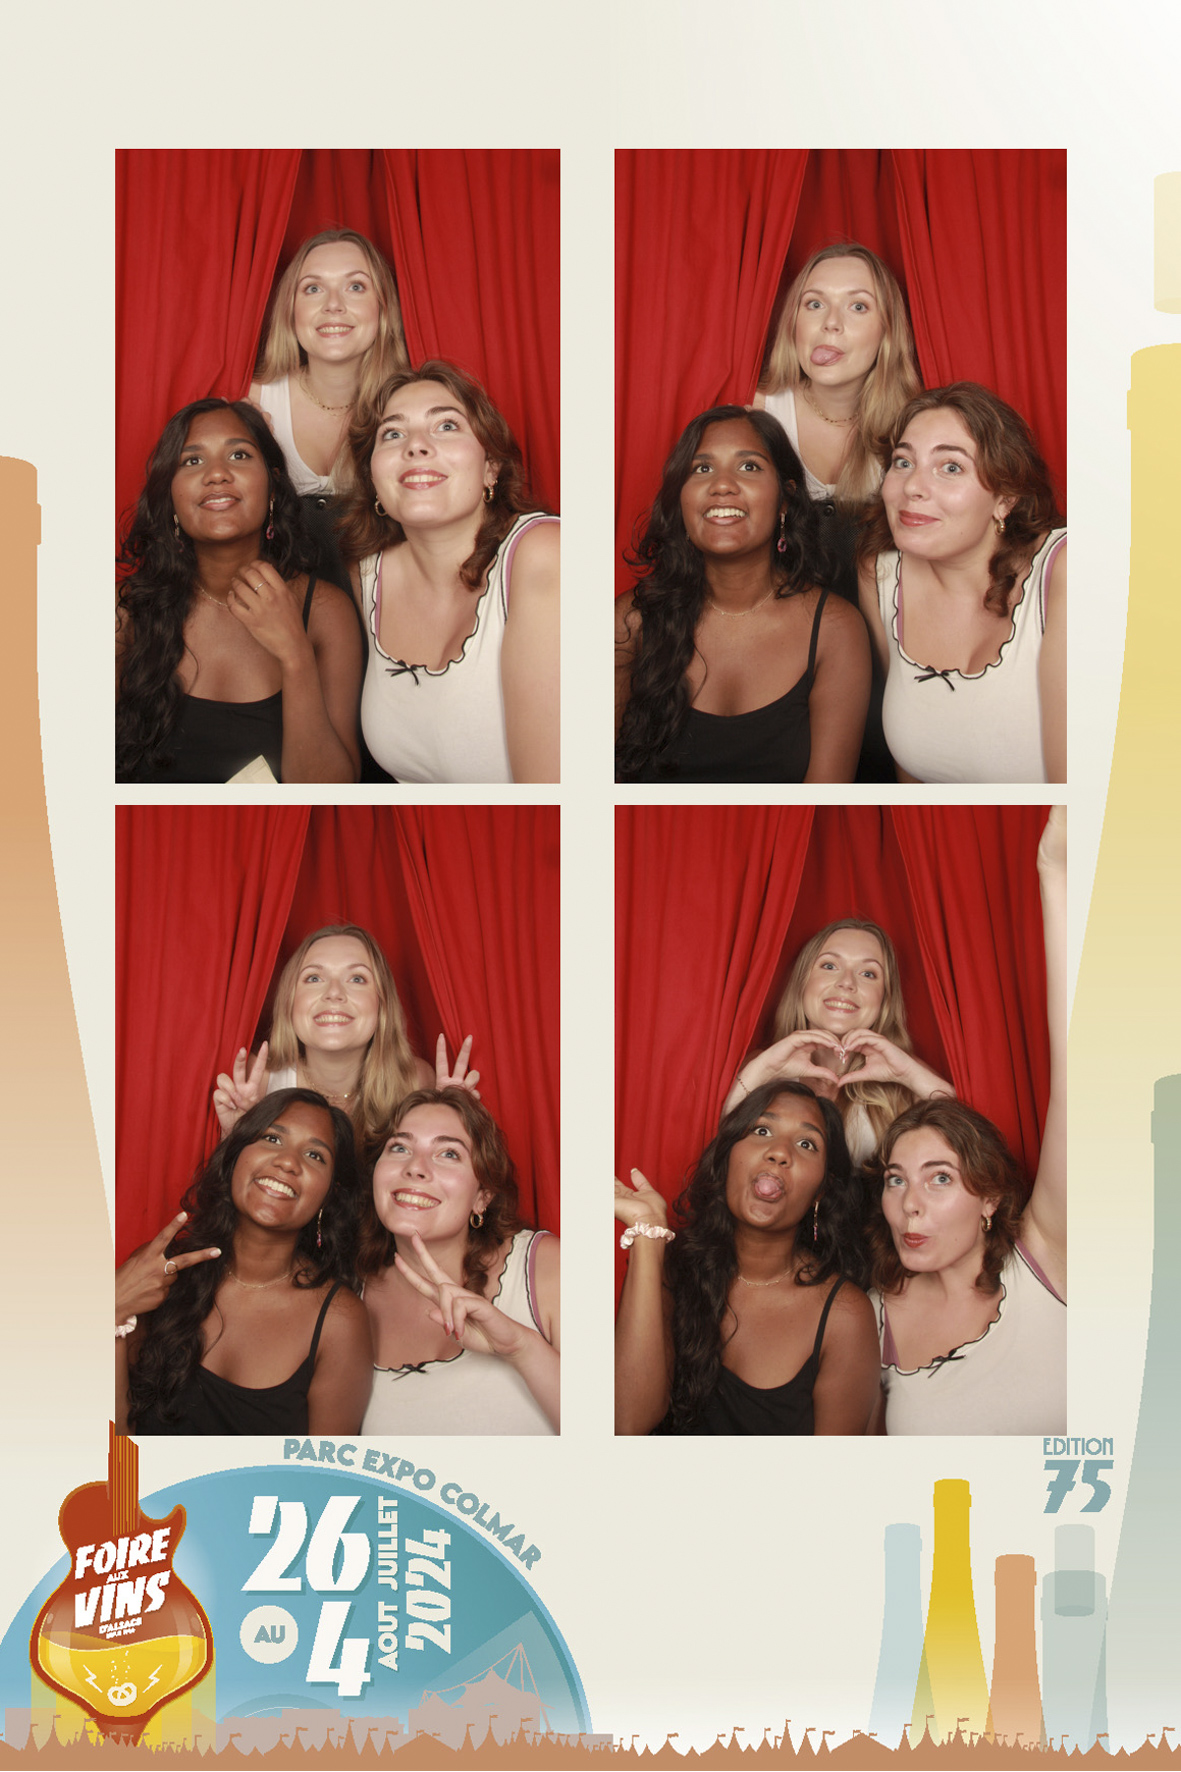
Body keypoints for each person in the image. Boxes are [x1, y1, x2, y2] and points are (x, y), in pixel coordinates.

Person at [866, 807, 1065, 1434]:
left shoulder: (1045, 1261)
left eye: (940, 1178)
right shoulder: (866, 1318)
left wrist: (1054, 874)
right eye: (895, 1179)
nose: (909, 1204)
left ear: (991, 1199)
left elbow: (1079, 1076)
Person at [615, 407, 869, 783]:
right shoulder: (631, 621)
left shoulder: (836, 630)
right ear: (680, 499)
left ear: (785, 499)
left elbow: (825, 800)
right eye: (702, 468)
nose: (722, 485)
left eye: (749, 466)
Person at [336, 360, 559, 784]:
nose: (416, 446)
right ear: (373, 478)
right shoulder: (365, 576)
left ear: (491, 467)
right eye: (393, 433)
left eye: (446, 426)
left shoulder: (544, 553)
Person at [116, 400, 362, 783]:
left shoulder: (325, 611)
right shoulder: (128, 610)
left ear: (273, 487)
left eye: (239, 455)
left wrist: (295, 655)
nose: (217, 474)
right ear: (170, 497)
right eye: (192, 460)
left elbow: (333, 792)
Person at [614, 1081, 879, 1436]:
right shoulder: (673, 1268)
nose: (779, 1152)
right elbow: (627, 1423)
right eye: (762, 1130)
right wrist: (648, 1236)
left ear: (821, 1190)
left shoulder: (845, 1315)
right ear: (727, 1158)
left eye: (806, 1144)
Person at [116, 1090, 372, 1436]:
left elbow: (323, 1468)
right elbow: (116, 1451)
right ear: (235, 1155)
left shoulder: (339, 1321)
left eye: (315, 1155)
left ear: (330, 1193)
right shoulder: (156, 1271)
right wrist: (113, 1310)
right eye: (272, 1138)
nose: (288, 1162)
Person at [858, 382, 1067, 783]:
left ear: (1005, 498)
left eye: (950, 467)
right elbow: (911, 768)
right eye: (903, 462)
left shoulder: (1065, 570)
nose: (912, 487)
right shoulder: (879, 576)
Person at [358, 1088, 559, 1434]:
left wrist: (521, 1348)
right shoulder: (348, 1295)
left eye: (448, 1153)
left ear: (482, 1197)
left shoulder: (545, 1267)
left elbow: (610, 1436)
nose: (415, 1168)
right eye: (400, 1147)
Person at [754, 242, 921, 602]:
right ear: (793, 322)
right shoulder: (755, 416)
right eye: (814, 304)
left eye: (858, 306)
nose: (830, 323)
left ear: (887, 331)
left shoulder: (916, 428)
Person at [213, 924, 476, 1153]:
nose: (334, 993)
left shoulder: (414, 1081)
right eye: (314, 978)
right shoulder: (257, 1082)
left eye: (357, 978)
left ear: (382, 1004)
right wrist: (234, 1134)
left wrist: (450, 1118)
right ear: (289, 1002)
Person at [723, 920, 954, 1167]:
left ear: (884, 999)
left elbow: (967, 1147)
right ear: (802, 982)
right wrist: (765, 1069)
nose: (847, 982)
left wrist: (909, 1074)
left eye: (868, 974)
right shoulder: (760, 1066)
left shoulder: (908, 1079)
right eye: (829, 965)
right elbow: (717, 1145)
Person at [250, 228, 408, 590]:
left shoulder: (411, 406)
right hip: (276, 603)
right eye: (313, 288)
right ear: (290, 309)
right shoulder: (255, 403)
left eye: (356, 286)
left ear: (383, 307)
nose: (333, 304)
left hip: (386, 607)